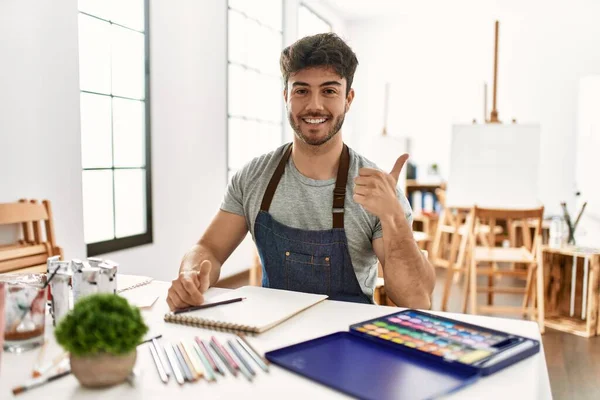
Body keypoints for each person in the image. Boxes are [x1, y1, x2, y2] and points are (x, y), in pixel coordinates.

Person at [167, 33, 435, 310]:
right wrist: (191, 274)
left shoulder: (377, 188)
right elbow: (208, 249)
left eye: (329, 91)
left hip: (347, 340)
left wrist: (394, 219)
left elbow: (416, 299)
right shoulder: (253, 178)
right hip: (270, 333)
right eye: (301, 90)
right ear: (286, 96)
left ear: (348, 99)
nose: (314, 105)